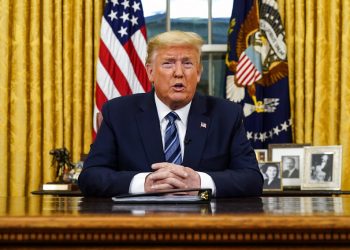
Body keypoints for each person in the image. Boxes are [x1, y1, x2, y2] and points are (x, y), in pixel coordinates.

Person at [78, 30, 263, 198]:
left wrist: (199, 182)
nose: (179, 73)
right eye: (168, 63)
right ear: (150, 72)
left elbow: (252, 179)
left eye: (188, 64)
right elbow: (90, 177)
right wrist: (145, 183)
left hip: (204, 225)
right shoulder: (118, 113)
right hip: (138, 226)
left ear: (198, 73)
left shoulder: (226, 115)